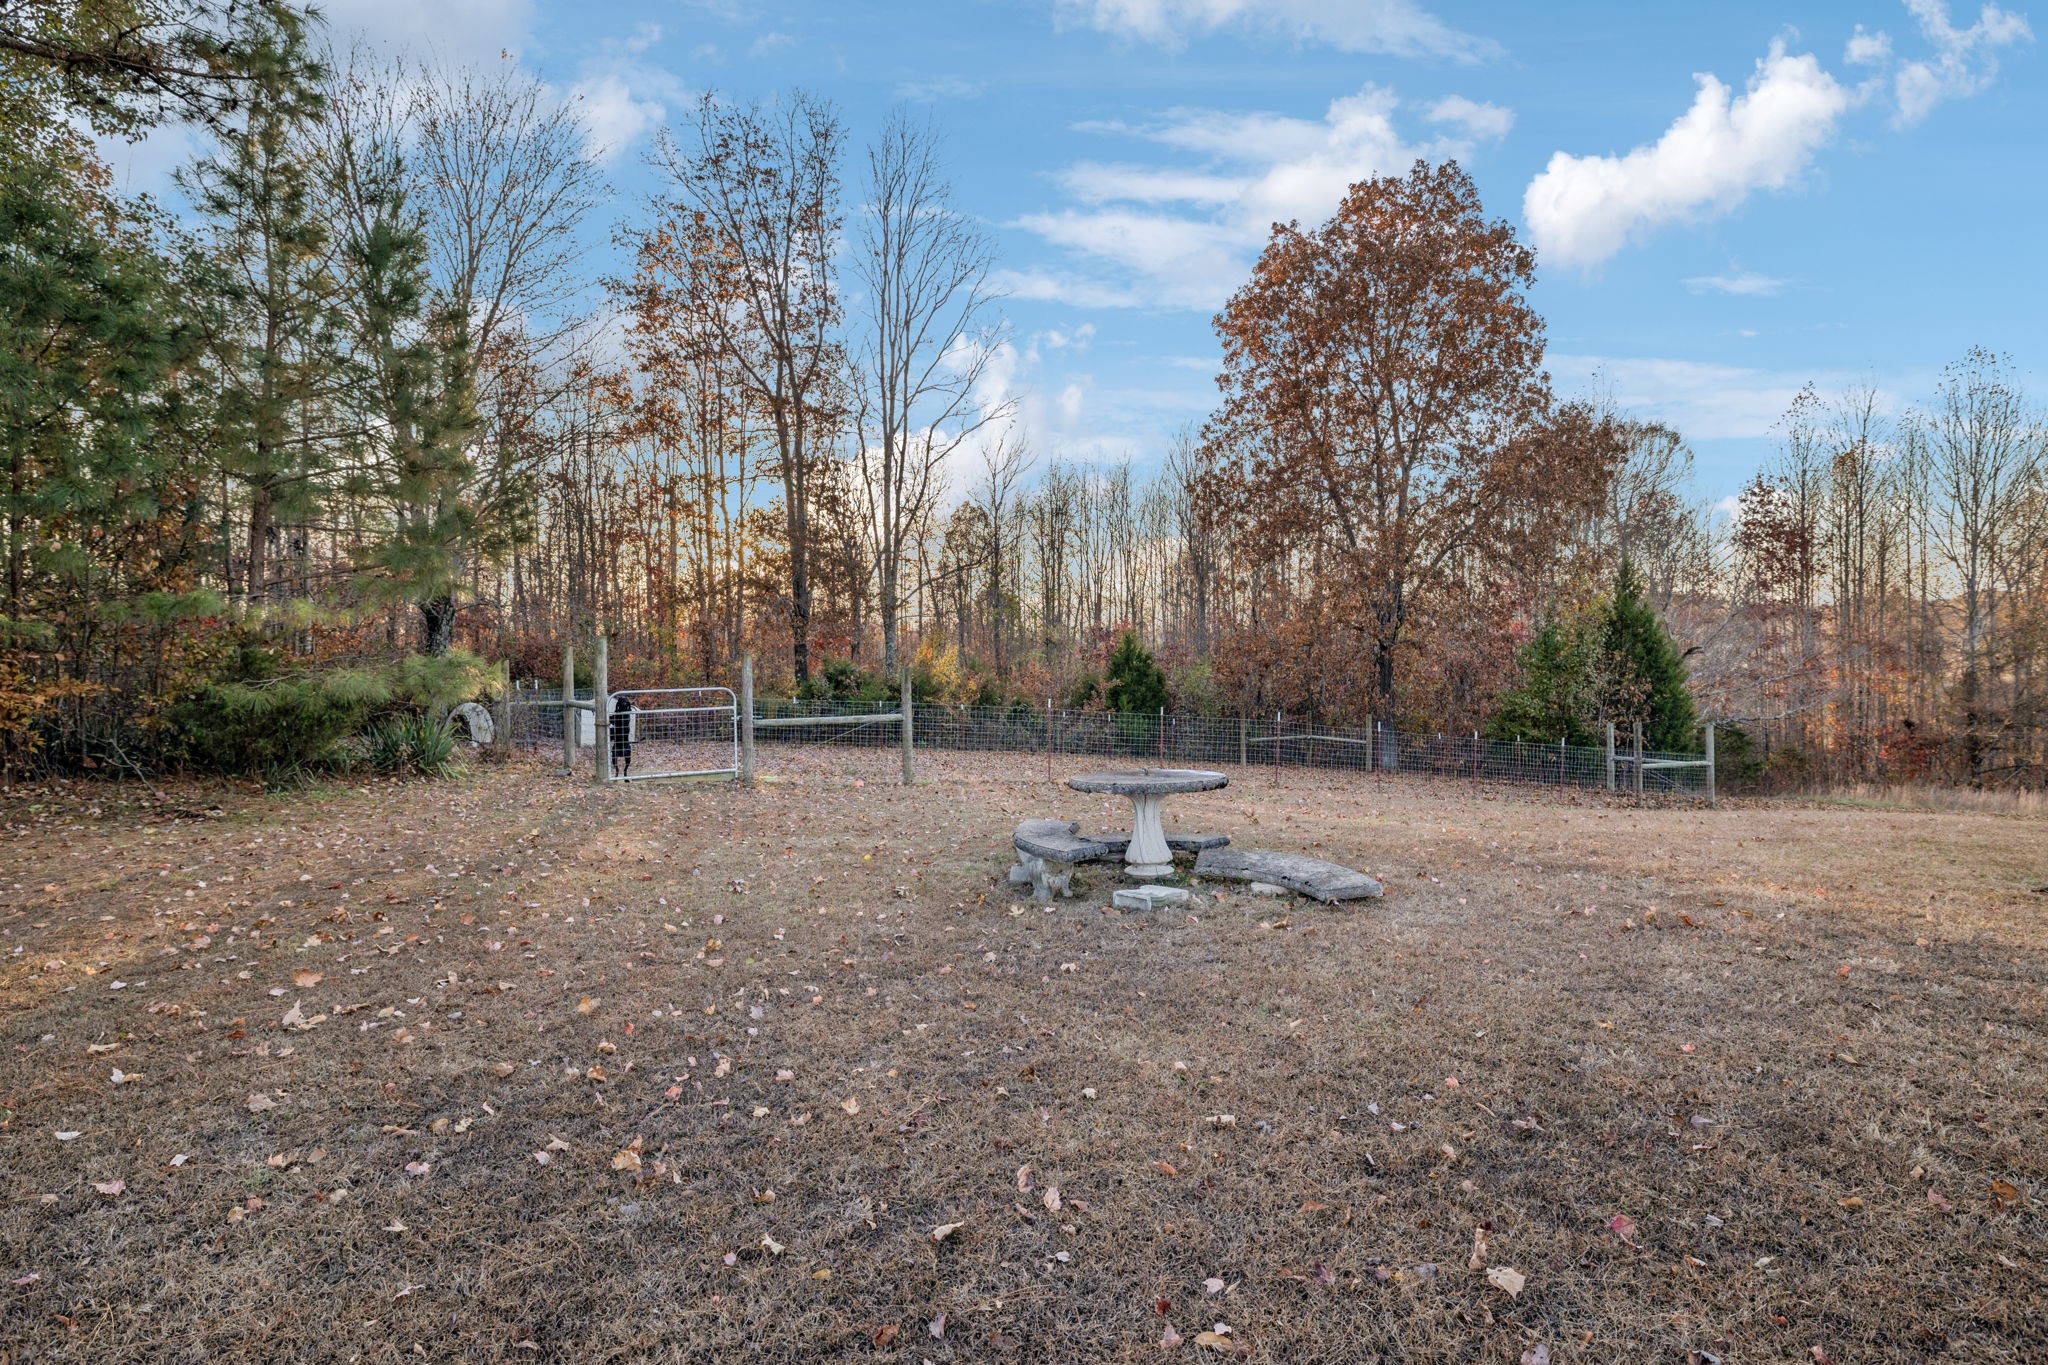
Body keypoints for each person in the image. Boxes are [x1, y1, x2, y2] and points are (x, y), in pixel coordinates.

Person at [609, 693, 636, 778]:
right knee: (614, 756)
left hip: (624, 742)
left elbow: (614, 721)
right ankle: (617, 771)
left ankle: (625, 772)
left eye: (625, 702)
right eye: (622, 702)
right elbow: (612, 720)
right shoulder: (618, 713)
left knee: (627, 757)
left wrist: (611, 718)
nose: (624, 704)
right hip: (618, 743)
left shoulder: (626, 714)